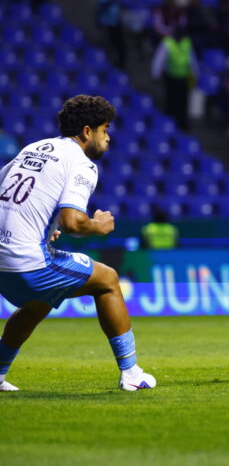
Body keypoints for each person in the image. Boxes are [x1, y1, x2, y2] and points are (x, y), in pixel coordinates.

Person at [0, 95, 156, 391]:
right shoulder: (82, 163)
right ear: (87, 131)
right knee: (108, 279)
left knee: (38, 304)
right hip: (25, 263)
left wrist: (43, 228)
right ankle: (132, 373)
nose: (108, 138)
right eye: (105, 129)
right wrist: (99, 225)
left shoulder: (33, 148)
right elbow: (73, 221)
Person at [151, 27, 199, 130]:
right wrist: (156, 73)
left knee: (183, 103)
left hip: (184, 78)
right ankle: (170, 125)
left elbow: (192, 59)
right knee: (171, 102)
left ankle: (183, 125)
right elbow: (159, 59)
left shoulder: (187, 43)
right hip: (171, 78)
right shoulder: (168, 43)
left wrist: (196, 73)